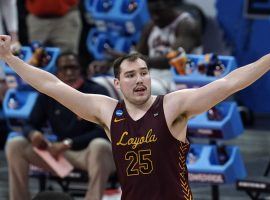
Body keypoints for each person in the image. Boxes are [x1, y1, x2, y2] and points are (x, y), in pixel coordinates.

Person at [1, 34, 269, 199]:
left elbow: (230, 83)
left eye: (143, 72)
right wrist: (10, 59)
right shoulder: (107, 111)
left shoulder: (173, 105)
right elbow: (51, 86)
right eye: (130, 75)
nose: (139, 79)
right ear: (117, 84)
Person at [5, 52, 116, 200]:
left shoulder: (96, 91)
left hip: (87, 154)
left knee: (100, 145)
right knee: (15, 144)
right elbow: (29, 124)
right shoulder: (49, 93)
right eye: (65, 68)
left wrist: (67, 143)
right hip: (57, 154)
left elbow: (104, 131)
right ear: (57, 72)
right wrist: (33, 134)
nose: (69, 72)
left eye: (73, 67)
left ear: (80, 69)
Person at [88, 0, 204, 94]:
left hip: (179, 84)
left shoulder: (187, 24)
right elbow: (136, 58)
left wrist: (127, 57)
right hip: (152, 80)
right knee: (96, 84)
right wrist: (109, 64)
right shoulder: (150, 26)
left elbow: (170, 61)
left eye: (159, 12)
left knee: (124, 88)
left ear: (171, 5)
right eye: (152, 13)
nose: (155, 17)